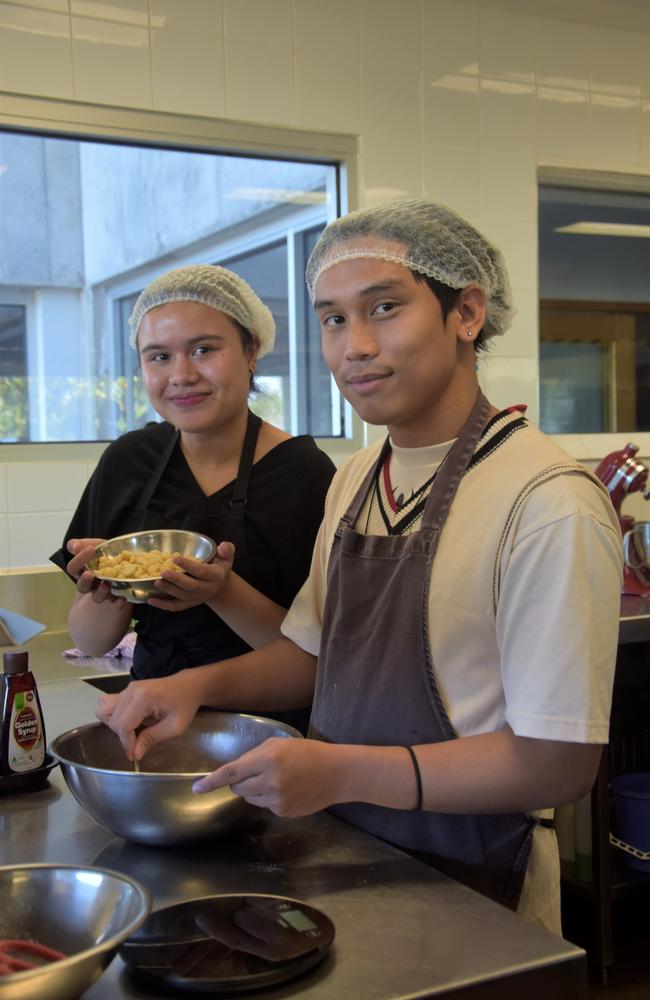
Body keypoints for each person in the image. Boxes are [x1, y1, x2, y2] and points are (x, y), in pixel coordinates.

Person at [96, 202, 623, 933]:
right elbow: (313, 658)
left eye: (385, 308)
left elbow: (556, 763)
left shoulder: (545, 500)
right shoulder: (356, 479)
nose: (356, 346)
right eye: (334, 319)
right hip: (348, 858)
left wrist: (339, 770)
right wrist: (188, 688)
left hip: (474, 883)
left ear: (466, 312)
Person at [51, 264, 335, 728]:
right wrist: (110, 590)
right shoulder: (130, 461)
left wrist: (221, 591)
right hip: (150, 714)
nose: (181, 375)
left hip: (270, 728)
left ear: (251, 351)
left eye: (203, 349)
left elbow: (314, 655)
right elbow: (92, 642)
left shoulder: (304, 474)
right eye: (158, 357)